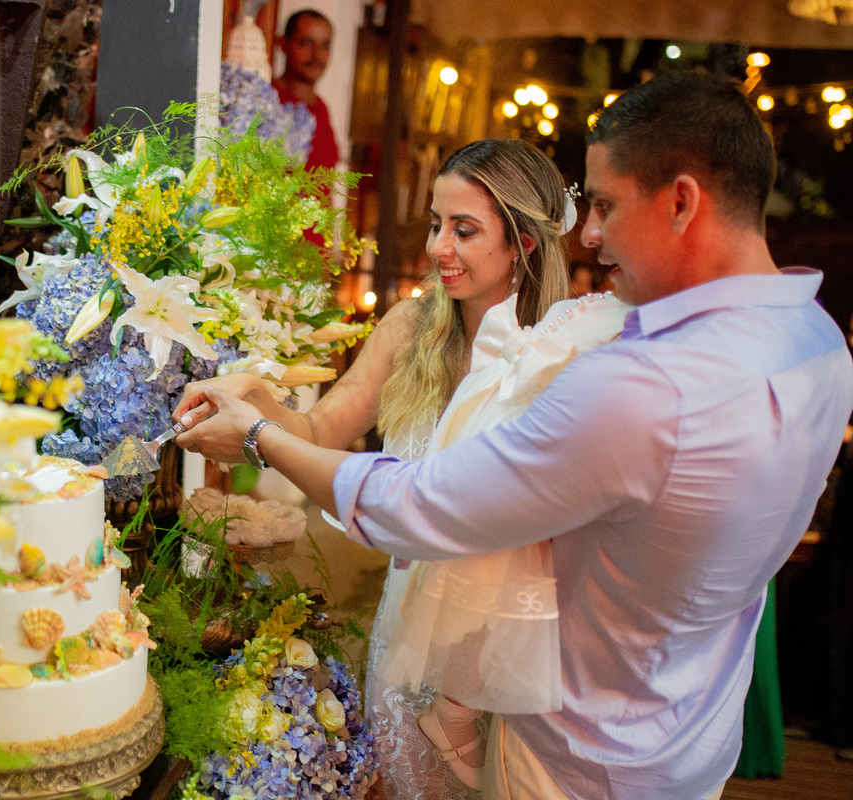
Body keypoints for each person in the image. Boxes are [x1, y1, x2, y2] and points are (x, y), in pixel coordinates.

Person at [175, 71, 853, 799]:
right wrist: (263, 406)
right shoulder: (816, 343)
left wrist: (258, 439)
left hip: (565, 736)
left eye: (608, 205)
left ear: (681, 202)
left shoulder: (605, 368)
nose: (590, 232)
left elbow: (427, 505)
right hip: (690, 731)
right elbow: (328, 429)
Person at [176, 138, 624, 797]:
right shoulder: (410, 327)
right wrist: (252, 397)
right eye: (436, 225)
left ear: (525, 243)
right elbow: (320, 429)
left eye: (464, 230)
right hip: (408, 628)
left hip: (520, 650)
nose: (440, 247)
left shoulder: (566, 351)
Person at [273, 9, 339, 173]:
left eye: (325, 46)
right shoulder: (266, 99)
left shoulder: (322, 108)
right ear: (283, 44)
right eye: (307, 43)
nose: (317, 54)